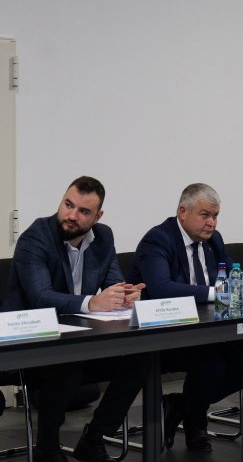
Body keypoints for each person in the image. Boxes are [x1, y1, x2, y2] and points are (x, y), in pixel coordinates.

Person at [3, 176, 147, 462]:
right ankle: (47, 448)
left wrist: (126, 295)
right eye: (68, 205)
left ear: (97, 216)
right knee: (67, 366)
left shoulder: (103, 237)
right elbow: (40, 296)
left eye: (83, 211)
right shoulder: (36, 237)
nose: (71, 215)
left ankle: (95, 436)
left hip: (77, 336)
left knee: (140, 359)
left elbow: (114, 282)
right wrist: (92, 302)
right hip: (29, 341)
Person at [127, 183, 241, 452]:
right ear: (183, 212)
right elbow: (161, 288)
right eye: (205, 215)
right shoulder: (158, 239)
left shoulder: (214, 240)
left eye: (215, 216)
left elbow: (231, 279)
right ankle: (195, 420)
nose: (211, 222)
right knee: (211, 363)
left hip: (206, 328)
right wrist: (215, 293)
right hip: (164, 334)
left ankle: (184, 405)